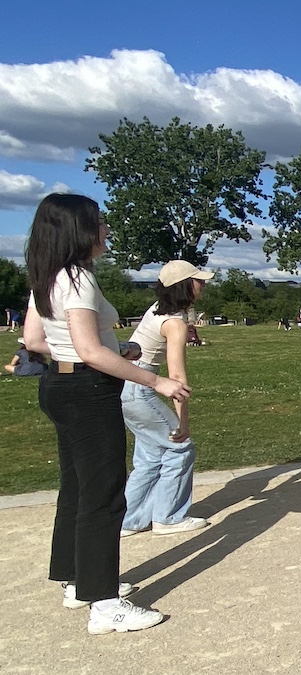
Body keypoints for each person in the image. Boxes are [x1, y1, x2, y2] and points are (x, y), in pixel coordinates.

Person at [23, 193, 190, 634]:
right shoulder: (77, 278)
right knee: (103, 495)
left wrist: (119, 349)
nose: (106, 230)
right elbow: (88, 350)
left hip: (58, 386)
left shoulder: (47, 276)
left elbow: (36, 342)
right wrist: (155, 380)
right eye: (98, 222)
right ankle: (105, 603)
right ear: (78, 230)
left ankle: (76, 581)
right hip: (87, 392)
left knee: (76, 488)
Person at [120, 260, 214, 539]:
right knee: (180, 448)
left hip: (128, 385)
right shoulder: (175, 323)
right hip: (142, 386)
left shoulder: (157, 310)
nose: (204, 285)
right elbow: (177, 379)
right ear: (186, 285)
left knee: (150, 456)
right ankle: (169, 517)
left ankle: (130, 519)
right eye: (199, 281)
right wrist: (184, 424)